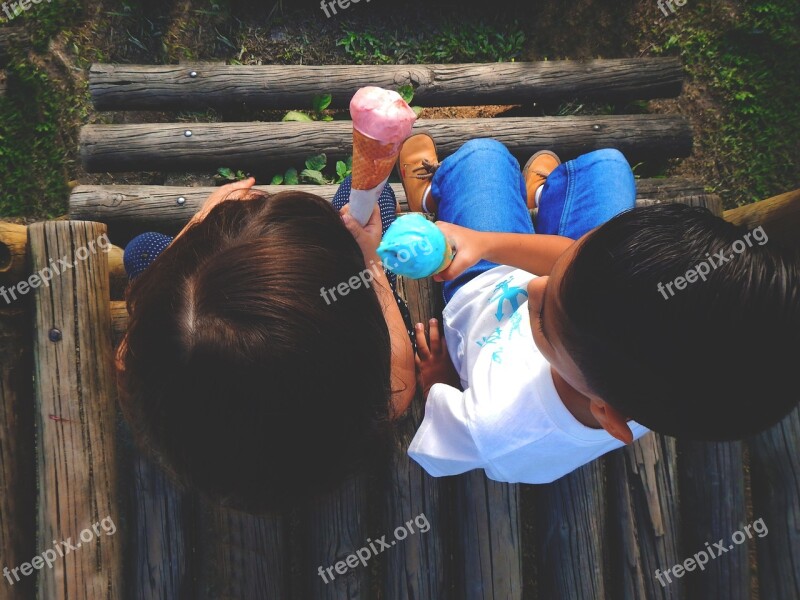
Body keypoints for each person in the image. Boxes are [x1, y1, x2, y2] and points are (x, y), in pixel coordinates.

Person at [399, 135, 800, 483]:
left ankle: (435, 196)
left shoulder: (494, 426)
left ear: (606, 414)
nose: (533, 285)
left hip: (480, 287)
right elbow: (569, 260)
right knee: (608, 164)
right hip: (521, 262)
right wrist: (484, 243)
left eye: (541, 319)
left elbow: (440, 452)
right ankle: (540, 196)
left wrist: (442, 381)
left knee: (482, 156)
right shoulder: (660, 384)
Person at [116, 178, 416, 512]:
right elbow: (400, 384)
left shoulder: (150, 372)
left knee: (142, 250)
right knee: (372, 195)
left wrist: (200, 224)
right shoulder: (374, 396)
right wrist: (370, 264)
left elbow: (126, 353)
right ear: (364, 339)